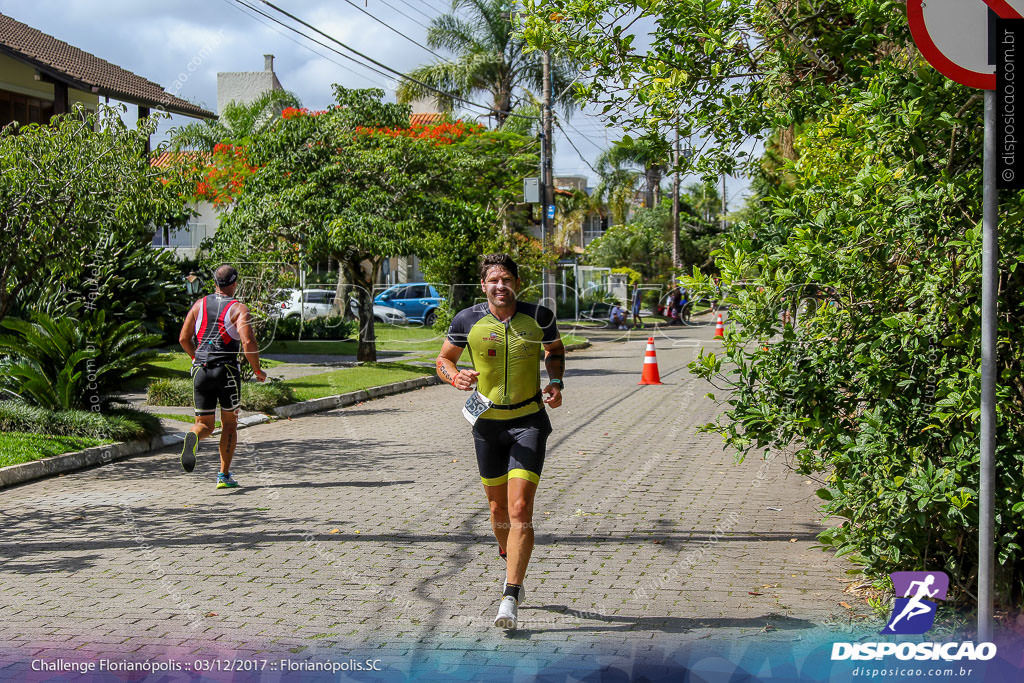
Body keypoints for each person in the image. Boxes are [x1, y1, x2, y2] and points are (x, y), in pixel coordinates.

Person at [436, 254, 565, 630]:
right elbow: (443, 360)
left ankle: (511, 593)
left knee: (520, 506)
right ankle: (510, 555)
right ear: (483, 286)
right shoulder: (467, 319)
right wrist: (454, 376)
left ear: (517, 282)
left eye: (506, 279)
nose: (500, 286)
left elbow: (554, 352)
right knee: (497, 513)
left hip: (529, 422)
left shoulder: (539, 316)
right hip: (487, 424)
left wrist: (556, 383)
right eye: (493, 280)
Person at [178, 265, 266, 488]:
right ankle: (223, 476)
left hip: (201, 369)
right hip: (226, 370)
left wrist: (194, 358)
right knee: (229, 424)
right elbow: (248, 343)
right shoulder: (238, 308)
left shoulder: (199, 304)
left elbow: (183, 338)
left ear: (215, 283)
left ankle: (194, 436)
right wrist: (257, 370)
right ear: (234, 284)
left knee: (204, 424)